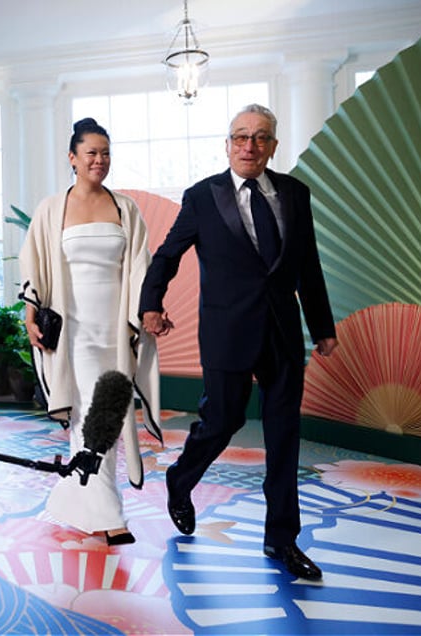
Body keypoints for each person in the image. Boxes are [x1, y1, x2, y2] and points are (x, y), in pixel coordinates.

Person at [139, 104, 338, 580]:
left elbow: (307, 264)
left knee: (284, 436)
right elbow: (168, 255)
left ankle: (282, 540)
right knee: (222, 421)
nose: (250, 145)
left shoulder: (295, 193)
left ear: (273, 145)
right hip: (227, 330)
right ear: (227, 145)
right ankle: (180, 478)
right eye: (240, 137)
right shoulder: (202, 197)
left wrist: (323, 326)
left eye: (261, 137)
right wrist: (151, 304)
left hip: (283, 333)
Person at [18, 118, 160, 546]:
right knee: (87, 416)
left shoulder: (125, 208)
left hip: (114, 327)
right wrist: (29, 315)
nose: (99, 161)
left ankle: (75, 497)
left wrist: (143, 315)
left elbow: (139, 266)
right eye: (91, 153)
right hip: (73, 329)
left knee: (112, 413)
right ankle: (109, 514)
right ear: (73, 158)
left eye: (106, 153)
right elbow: (34, 263)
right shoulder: (50, 209)